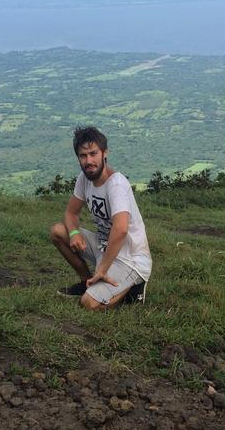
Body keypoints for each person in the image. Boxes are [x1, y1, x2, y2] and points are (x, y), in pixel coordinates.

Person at [49, 126, 151, 310]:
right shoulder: (84, 178)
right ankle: (86, 282)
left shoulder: (116, 185)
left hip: (129, 259)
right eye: (83, 155)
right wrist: (73, 233)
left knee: (88, 304)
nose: (89, 161)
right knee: (58, 231)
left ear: (104, 153)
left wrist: (102, 269)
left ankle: (133, 289)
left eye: (93, 153)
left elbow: (120, 230)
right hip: (104, 246)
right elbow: (71, 213)